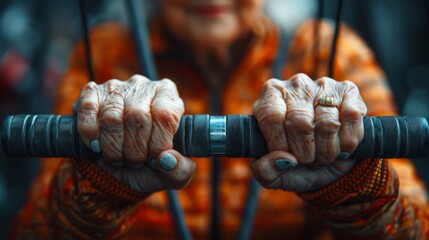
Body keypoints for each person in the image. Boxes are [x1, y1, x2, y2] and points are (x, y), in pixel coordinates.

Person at [10, 0, 429, 239]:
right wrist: (99, 187)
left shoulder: (332, 53)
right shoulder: (103, 54)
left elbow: (416, 228)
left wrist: (354, 188)